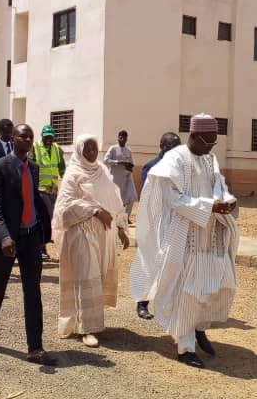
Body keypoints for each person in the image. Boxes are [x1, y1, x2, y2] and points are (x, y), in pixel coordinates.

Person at [128, 114, 238, 369]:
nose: (211, 147)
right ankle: (185, 346)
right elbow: (174, 198)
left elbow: (219, 184)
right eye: (207, 142)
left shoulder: (210, 158)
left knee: (210, 285)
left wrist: (226, 200)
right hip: (184, 236)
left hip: (209, 234)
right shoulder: (175, 159)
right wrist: (210, 206)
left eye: (214, 142)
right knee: (186, 291)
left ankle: (199, 328)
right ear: (194, 136)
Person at [0, 123, 57, 366]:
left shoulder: (33, 167)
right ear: (13, 138)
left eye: (30, 137)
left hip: (30, 237)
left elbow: (32, 199)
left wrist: (44, 229)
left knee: (32, 291)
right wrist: (3, 236)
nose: (28, 140)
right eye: (23, 136)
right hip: (7, 239)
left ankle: (35, 348)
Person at [52, 135, 130, 347]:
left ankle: (91, 322)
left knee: (97, 277)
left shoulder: (102, 171)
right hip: (81, 233)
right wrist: (95, 210)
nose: (91, 152)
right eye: (87, 148)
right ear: (79, 150)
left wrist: (121, 228)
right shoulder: (72, 173)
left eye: (94, 148)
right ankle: (85, 329)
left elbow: (114, 200)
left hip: (103, 234)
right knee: (85, 277)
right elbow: (64, 207)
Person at [134, 131, 181, 319]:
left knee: (172, 265)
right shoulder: (151, 167)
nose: (176, 151)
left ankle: (169, 307)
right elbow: (147, 198)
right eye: (172, 147)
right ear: (161, 146)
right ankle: (142, 303)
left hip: (174, 223)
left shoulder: (181, 168)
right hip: (155, 223)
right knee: (149, 264)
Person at [33, 124, 66, 260]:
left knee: (51, 218)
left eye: (51, 137)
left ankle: (40, 245)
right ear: (42, 136)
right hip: (41, 190)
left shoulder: (57, 149)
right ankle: (41, 248)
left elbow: (62, 169)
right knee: (45, 218)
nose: (49, 140)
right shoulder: (35, 148)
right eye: (46, 137)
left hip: (54, 191)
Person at [104, 130, 138, 224]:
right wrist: (118, 162)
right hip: (115, 179)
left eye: (124, 138)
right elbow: (105, 161)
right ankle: (114, 219)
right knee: (116, 200)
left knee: (132, 197)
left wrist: (129, 165)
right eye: (121, 137)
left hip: (127, 178)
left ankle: (126, 217)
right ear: (118, 138)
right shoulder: (113, 148)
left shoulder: (128, 150)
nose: (123, 139)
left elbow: (131, 163)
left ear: (127, 139)